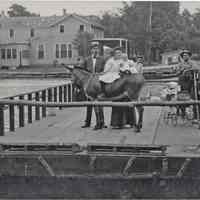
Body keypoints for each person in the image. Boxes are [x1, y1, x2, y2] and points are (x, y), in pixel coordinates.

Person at [81, 42, 106, 130]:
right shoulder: (86, 60)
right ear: (91, 50)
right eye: (93, 49)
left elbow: (105, 71)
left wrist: (98, 74)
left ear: (98, 50)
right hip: (89, 85)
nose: (95, 50)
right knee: (89, 104)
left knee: (99, 103)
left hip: (98, 84)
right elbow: (82, 71)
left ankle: (102, 122)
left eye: (96, 49)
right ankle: (87, 122)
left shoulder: (102, 59)